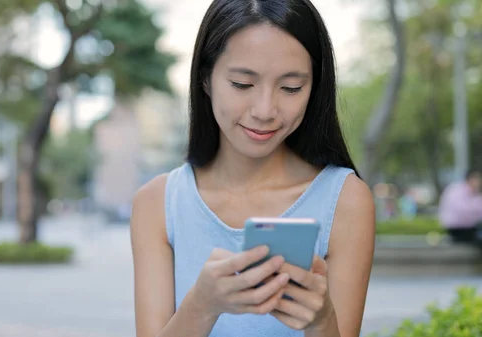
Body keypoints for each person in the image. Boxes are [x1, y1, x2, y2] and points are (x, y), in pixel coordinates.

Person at [130, 1, 375, 336]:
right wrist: (202, 305)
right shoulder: (157, 204)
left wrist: (321, 321)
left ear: (314, 89)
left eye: (291, 88)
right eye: (243, 84)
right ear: (205, 79)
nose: (265, 110)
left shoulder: (346, 200)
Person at [438, 169, 482, 244]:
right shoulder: (456, 190)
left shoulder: (476, 193)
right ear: (470, 179)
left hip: (471, 228)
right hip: (456, 228)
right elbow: (463, 211)